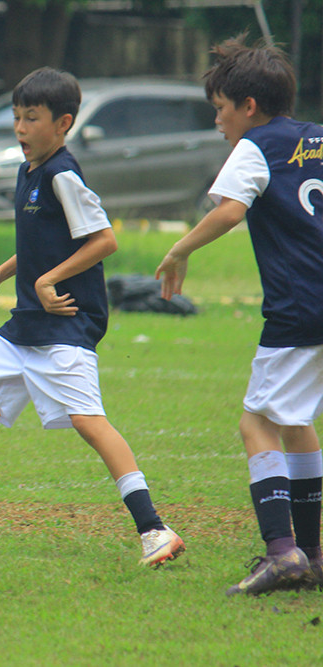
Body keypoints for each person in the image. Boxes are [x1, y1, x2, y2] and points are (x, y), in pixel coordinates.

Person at [0, 67, 186, 568]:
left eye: (32, 118)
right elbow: (41, 244)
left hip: (66, 324)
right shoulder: (30, 172)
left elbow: (104, 240)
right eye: (17, 117)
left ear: (63, 123)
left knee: (90, 423)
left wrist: (47, 282)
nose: (20, 128)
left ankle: (155, 529)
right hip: (27, 326)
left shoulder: (63, 174)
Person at [156, 36, 323, 596]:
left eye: (221, 109)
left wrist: (179, 250)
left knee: (256, 423)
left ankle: (282, 553)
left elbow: (230, 210)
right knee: (295, 423)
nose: (218, 122)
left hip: (300, 307)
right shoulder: (319, 138)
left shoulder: (256, 145)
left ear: (248, 106)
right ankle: (313, 554)